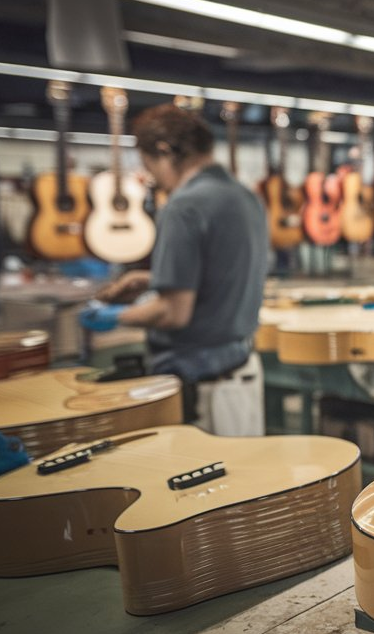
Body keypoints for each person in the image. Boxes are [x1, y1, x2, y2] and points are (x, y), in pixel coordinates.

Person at [81, 104, 270, 436]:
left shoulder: (184, 206)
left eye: (149, 165)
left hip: (201, 387)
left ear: (165, 151)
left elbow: (173, 313)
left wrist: (113, 315)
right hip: (243, 373)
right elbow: (225, 273)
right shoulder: (245, 196)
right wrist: (158, 280)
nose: (152, 177)